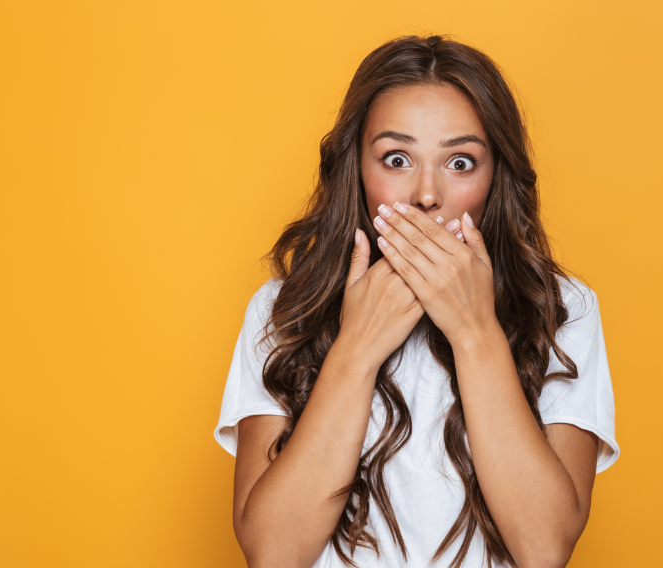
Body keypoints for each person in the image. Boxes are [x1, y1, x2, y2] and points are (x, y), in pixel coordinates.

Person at [214, 35, 619, 568]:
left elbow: (544, 549)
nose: (426, 194)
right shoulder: (283, 308)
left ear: (496, 175)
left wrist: (476, 334)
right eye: (397, 158)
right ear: (355, 169)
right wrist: (357, 349)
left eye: (460, 162)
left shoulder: (562, 309)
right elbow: (273, 553)